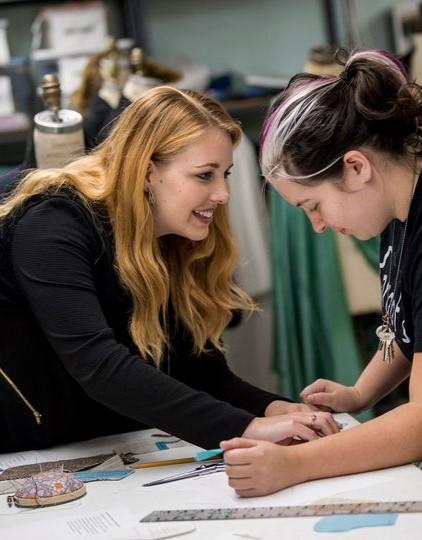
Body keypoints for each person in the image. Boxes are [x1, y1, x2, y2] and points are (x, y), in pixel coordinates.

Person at [221, 49, 422, 539]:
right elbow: (415, 327)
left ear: (355, 167)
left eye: (314, 206)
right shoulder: (411, 196)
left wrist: (296, 465)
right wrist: (360, 392)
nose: (320, 226)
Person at [0, 86, 340, 454]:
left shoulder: (170, 237)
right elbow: (98, 366)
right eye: (205, 175)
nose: (224, 193)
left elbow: (200, 369)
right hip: (28, 451)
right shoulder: (52, 226)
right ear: (148, 172)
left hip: (106, 446)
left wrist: (275, 408)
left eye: (225, 174)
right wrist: (250, 427)